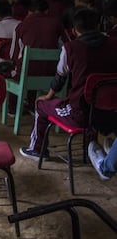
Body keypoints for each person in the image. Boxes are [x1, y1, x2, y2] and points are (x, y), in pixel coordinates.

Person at [19, 8, 117, 160]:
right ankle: (89, 150)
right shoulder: (114, 44)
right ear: (98, 26)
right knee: (94, 102)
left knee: (41, 105)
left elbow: (60, 78)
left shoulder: (71, 48)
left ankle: (37, 150)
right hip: (110, 114)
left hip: (80, 115)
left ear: (74, 30)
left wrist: (48, 96)